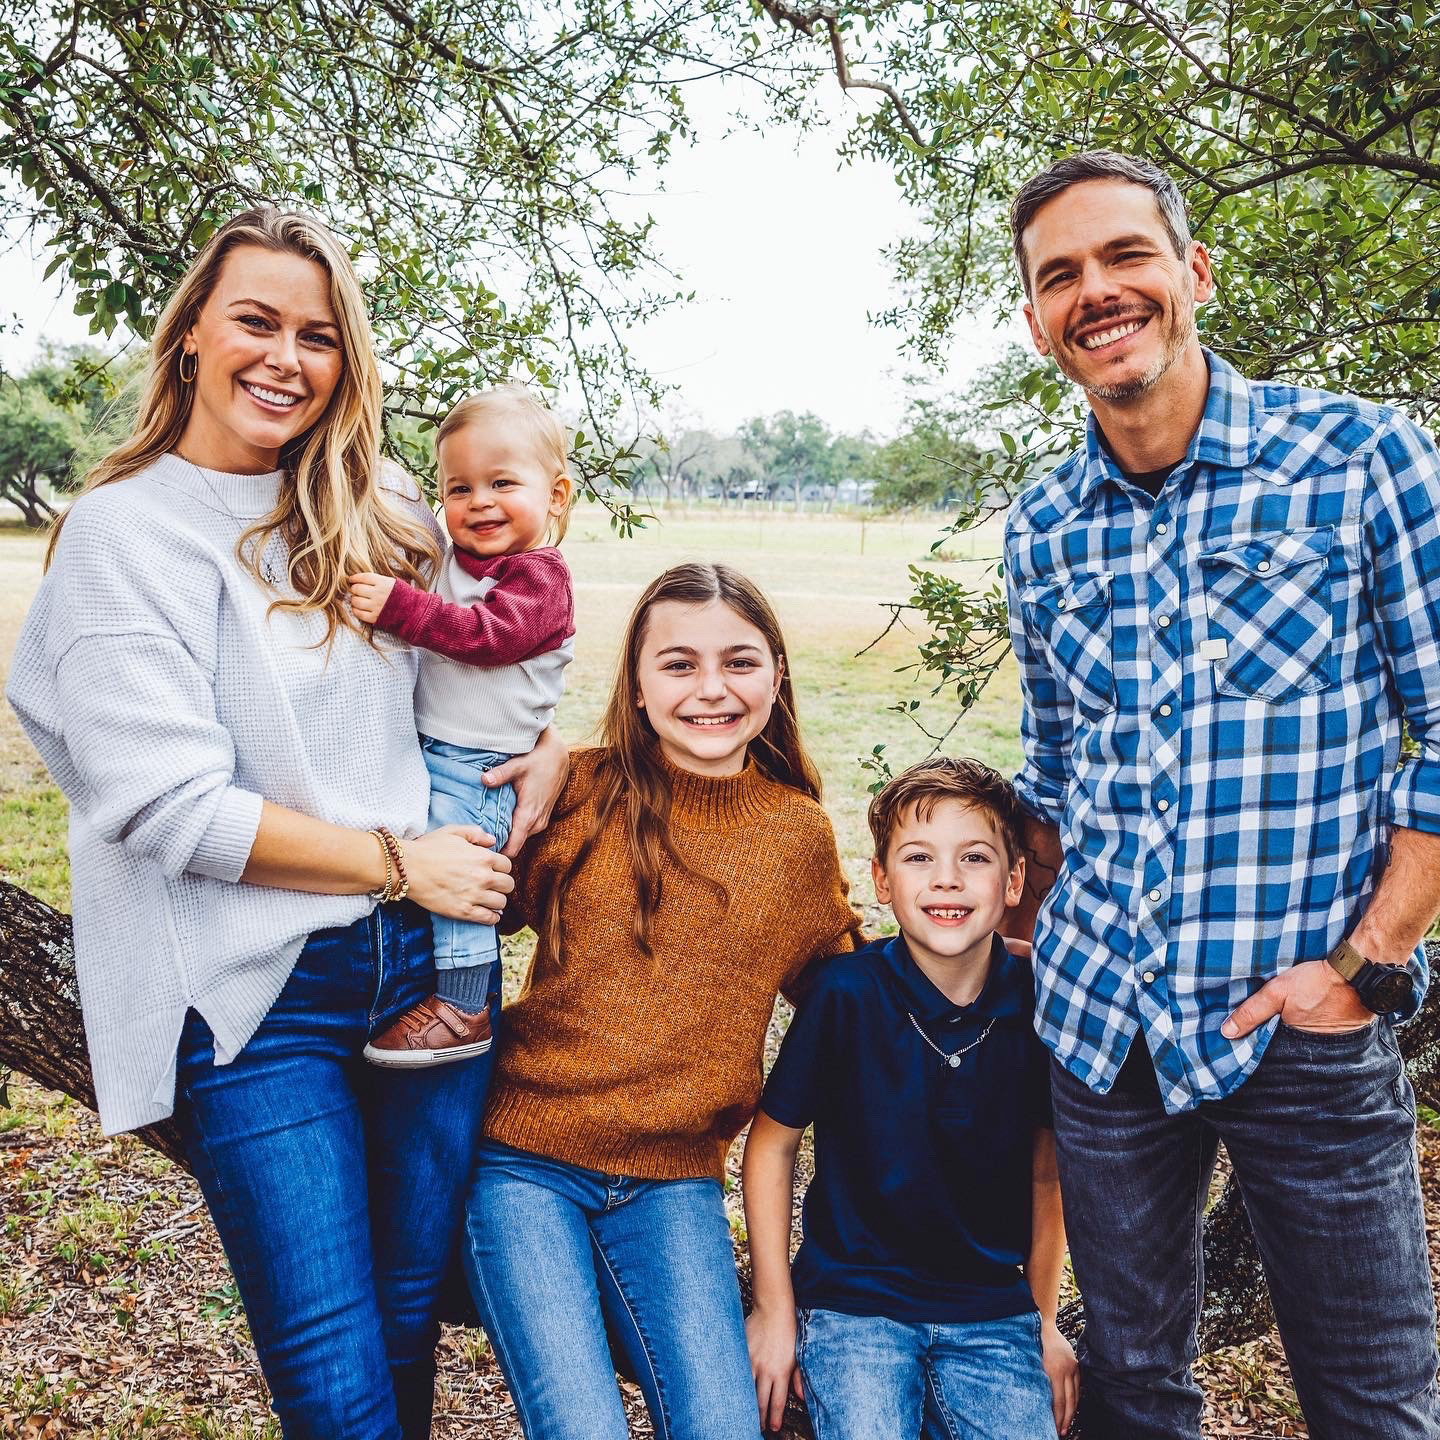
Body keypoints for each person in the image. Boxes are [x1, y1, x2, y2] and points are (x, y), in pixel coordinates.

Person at [6, 206, 569, 1438]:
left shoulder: (379, 510)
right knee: (331, 1371)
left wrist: (550, 749)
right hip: (256, 989)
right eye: (255, 321)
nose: (284, 357)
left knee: (410, 1319)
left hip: (423, 969)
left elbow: (494, 658)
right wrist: (393, 862)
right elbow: (163, 802)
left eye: (317, 336)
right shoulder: (124, 532)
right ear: (195, 332)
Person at [1003, 148, 1440, 1437]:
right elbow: (1058, 765)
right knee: (1137, 1393)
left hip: (1305, 1016)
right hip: (1105, 1029)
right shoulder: (1043, 527)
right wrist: (1004, 894)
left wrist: (1366, 963)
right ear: (1038, 322)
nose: (1097, 291)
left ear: (1191, 270)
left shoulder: (1362, 458)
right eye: (1059, 276)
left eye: (1124, 255)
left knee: (1372, 1401)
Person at [462, 561, 865, 1440]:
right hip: (525, 1164)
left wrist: (979, 964)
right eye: (678, 664)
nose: (710, 689)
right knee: (581, 1427)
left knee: (724, 1426)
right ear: (637, 686)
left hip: (675, 1184)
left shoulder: (796, 837)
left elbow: (854, 999)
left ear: (777, 675)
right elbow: (464, 909)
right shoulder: (578, 791)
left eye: (739, 662)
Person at [744, 756, 1079, 1440]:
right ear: (881, 881)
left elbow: (1049, 1175)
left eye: (975, 857)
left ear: (1015, 880)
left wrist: (1043, 1321)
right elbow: (773, 1144)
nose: (947, 879)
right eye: (919, 857)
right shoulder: (846, 995)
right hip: (854, 1307)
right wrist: (774, 1311)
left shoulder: (1038, 1007)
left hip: (991, 1312)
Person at [349, 386, 575, 1067]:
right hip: (436, 751)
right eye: (459, 487)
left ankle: (465, 1005)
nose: (478, 501)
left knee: (461, 884)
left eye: (502, 482)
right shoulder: (455, 560)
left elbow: (486, 637)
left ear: (556, 496)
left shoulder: (539, 578)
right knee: (429, 868)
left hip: (482, 766)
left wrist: (400, 609)